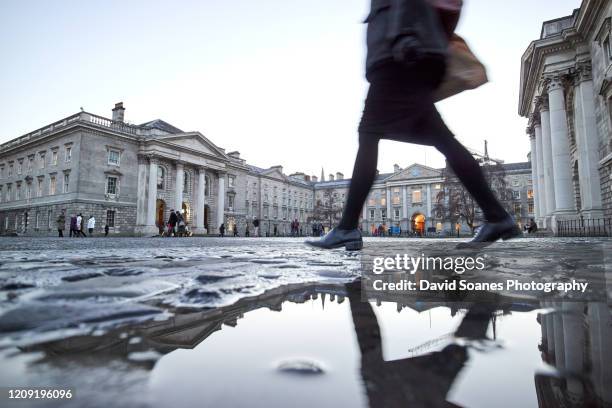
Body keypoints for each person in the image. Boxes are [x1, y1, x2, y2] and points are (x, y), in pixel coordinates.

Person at [307, 0, 519, 250]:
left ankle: (347, 228)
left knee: (369, 133)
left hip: (400, 54)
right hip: (411, 51)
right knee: (441, 139)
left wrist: (403, 35)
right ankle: (497, 216)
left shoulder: (402, 33)